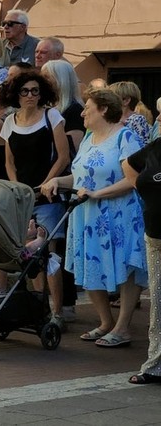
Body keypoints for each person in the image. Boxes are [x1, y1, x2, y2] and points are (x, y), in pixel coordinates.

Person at [42, 89, 147, 348]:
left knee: (127, 266)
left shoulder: (125, 137)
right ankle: (105, 322)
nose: (82, 113)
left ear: (103, 109)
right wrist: (58, 181)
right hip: (88, 214)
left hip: (119, 214)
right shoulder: (88, 138)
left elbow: (134, 180)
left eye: (87, 108)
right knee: (88, 264)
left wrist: (98, 193)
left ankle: (122, 328)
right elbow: (80, 177)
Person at [0, 70, 70, 328]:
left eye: (35, 91)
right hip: (22, 197)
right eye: (25, 91)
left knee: (49, 253)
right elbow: (9, 162)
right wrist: (18, 188)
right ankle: (40, 308)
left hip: (48, 195)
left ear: (42, 94)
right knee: (30, 252)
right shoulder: (10, 121)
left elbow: (63, 156)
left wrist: (46, 184)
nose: (30, 95)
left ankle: (57, 313)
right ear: (16, 94)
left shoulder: (52, 116)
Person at [39, 58, 85, 321]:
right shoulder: (49, 109)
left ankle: (66, 302)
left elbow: (73, 148)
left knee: (62, 244)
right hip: (51, 182)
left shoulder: (73, 110)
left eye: (49, 77)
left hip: (65, 183)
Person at [122, 131, 161, 383]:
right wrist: (143, 190)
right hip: (155, 237)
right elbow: (128, 164)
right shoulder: (156, 146)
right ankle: (155, 366)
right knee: (158, 303)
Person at [110, 81, 151, 147]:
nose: (108, 102)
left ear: (126, 101)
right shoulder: (111, 119)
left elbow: (144, 147)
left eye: (112, 98)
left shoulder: (137, 120)